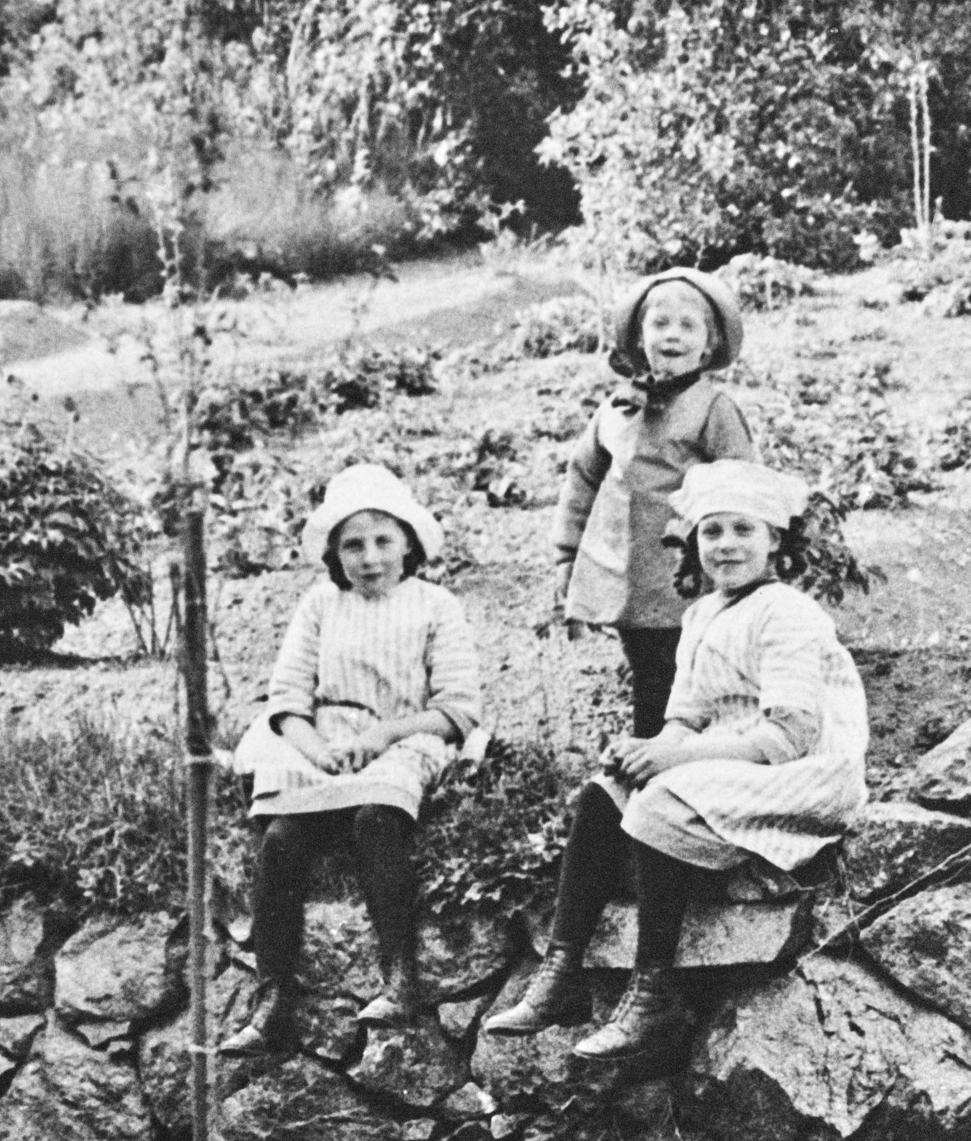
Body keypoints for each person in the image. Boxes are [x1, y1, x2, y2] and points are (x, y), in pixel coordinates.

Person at [487, 460, 868, 1060]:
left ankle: (652, 993)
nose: (727, 545)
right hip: (730, 759)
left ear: (776, 542)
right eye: (712, 532)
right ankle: (560, 972)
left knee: (663, 798)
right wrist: (655, 749)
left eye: (744, 530)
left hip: (803, 771)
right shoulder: (701, 615)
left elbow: (787, 735)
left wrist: (676, 761)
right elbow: (684, 717)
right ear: (693, 543)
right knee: (603, 792)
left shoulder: (787, 613)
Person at [223, 463, 484, 1052]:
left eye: (383, 541)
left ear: (409, 544)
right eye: (353, 545)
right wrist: (316, 748)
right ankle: (272, 1003)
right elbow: (287, 699)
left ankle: (400, 979)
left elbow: (457, 708)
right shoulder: (319, 606)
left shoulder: (436, 605)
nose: (369, 558)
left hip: (404, 733)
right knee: (284, 838)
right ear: (334, 555)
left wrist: (383, 736)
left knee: (375, 819)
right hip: (327, 738)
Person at [549, 267, 757, 738]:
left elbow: (743, 482)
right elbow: (583, 476)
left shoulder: (712, 410)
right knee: (647, 667)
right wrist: (566, 553)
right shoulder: (617, 410)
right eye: (660, 324)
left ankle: (684, 751)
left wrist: (740, 556)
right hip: (631, 574)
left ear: (708, 345)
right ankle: (651, 755)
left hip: (690, 574)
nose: (672, 336)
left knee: (687, 668)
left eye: (688, 326)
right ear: (640, 338)